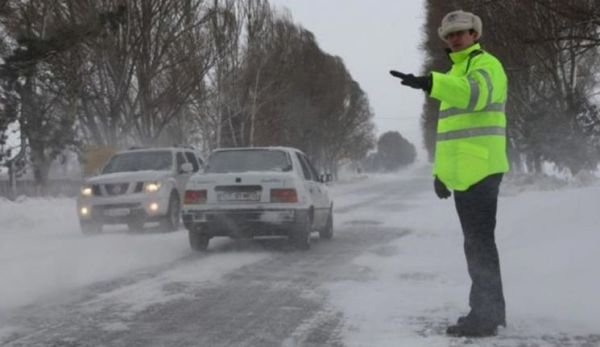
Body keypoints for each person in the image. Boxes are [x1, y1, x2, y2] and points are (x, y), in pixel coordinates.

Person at [390, 10, 509, 337]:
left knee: (480, 245)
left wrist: (431, 82)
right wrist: (441, 174)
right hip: (467, 174)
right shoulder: (456, 73)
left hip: (482, 172)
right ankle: (488, 311)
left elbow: (474, 95)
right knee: (476, 245)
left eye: (462, 33)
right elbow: (453, 138)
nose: (456, 38)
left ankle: (486, 316)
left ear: (475, 35)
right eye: (450, 35)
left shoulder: (486, 66)